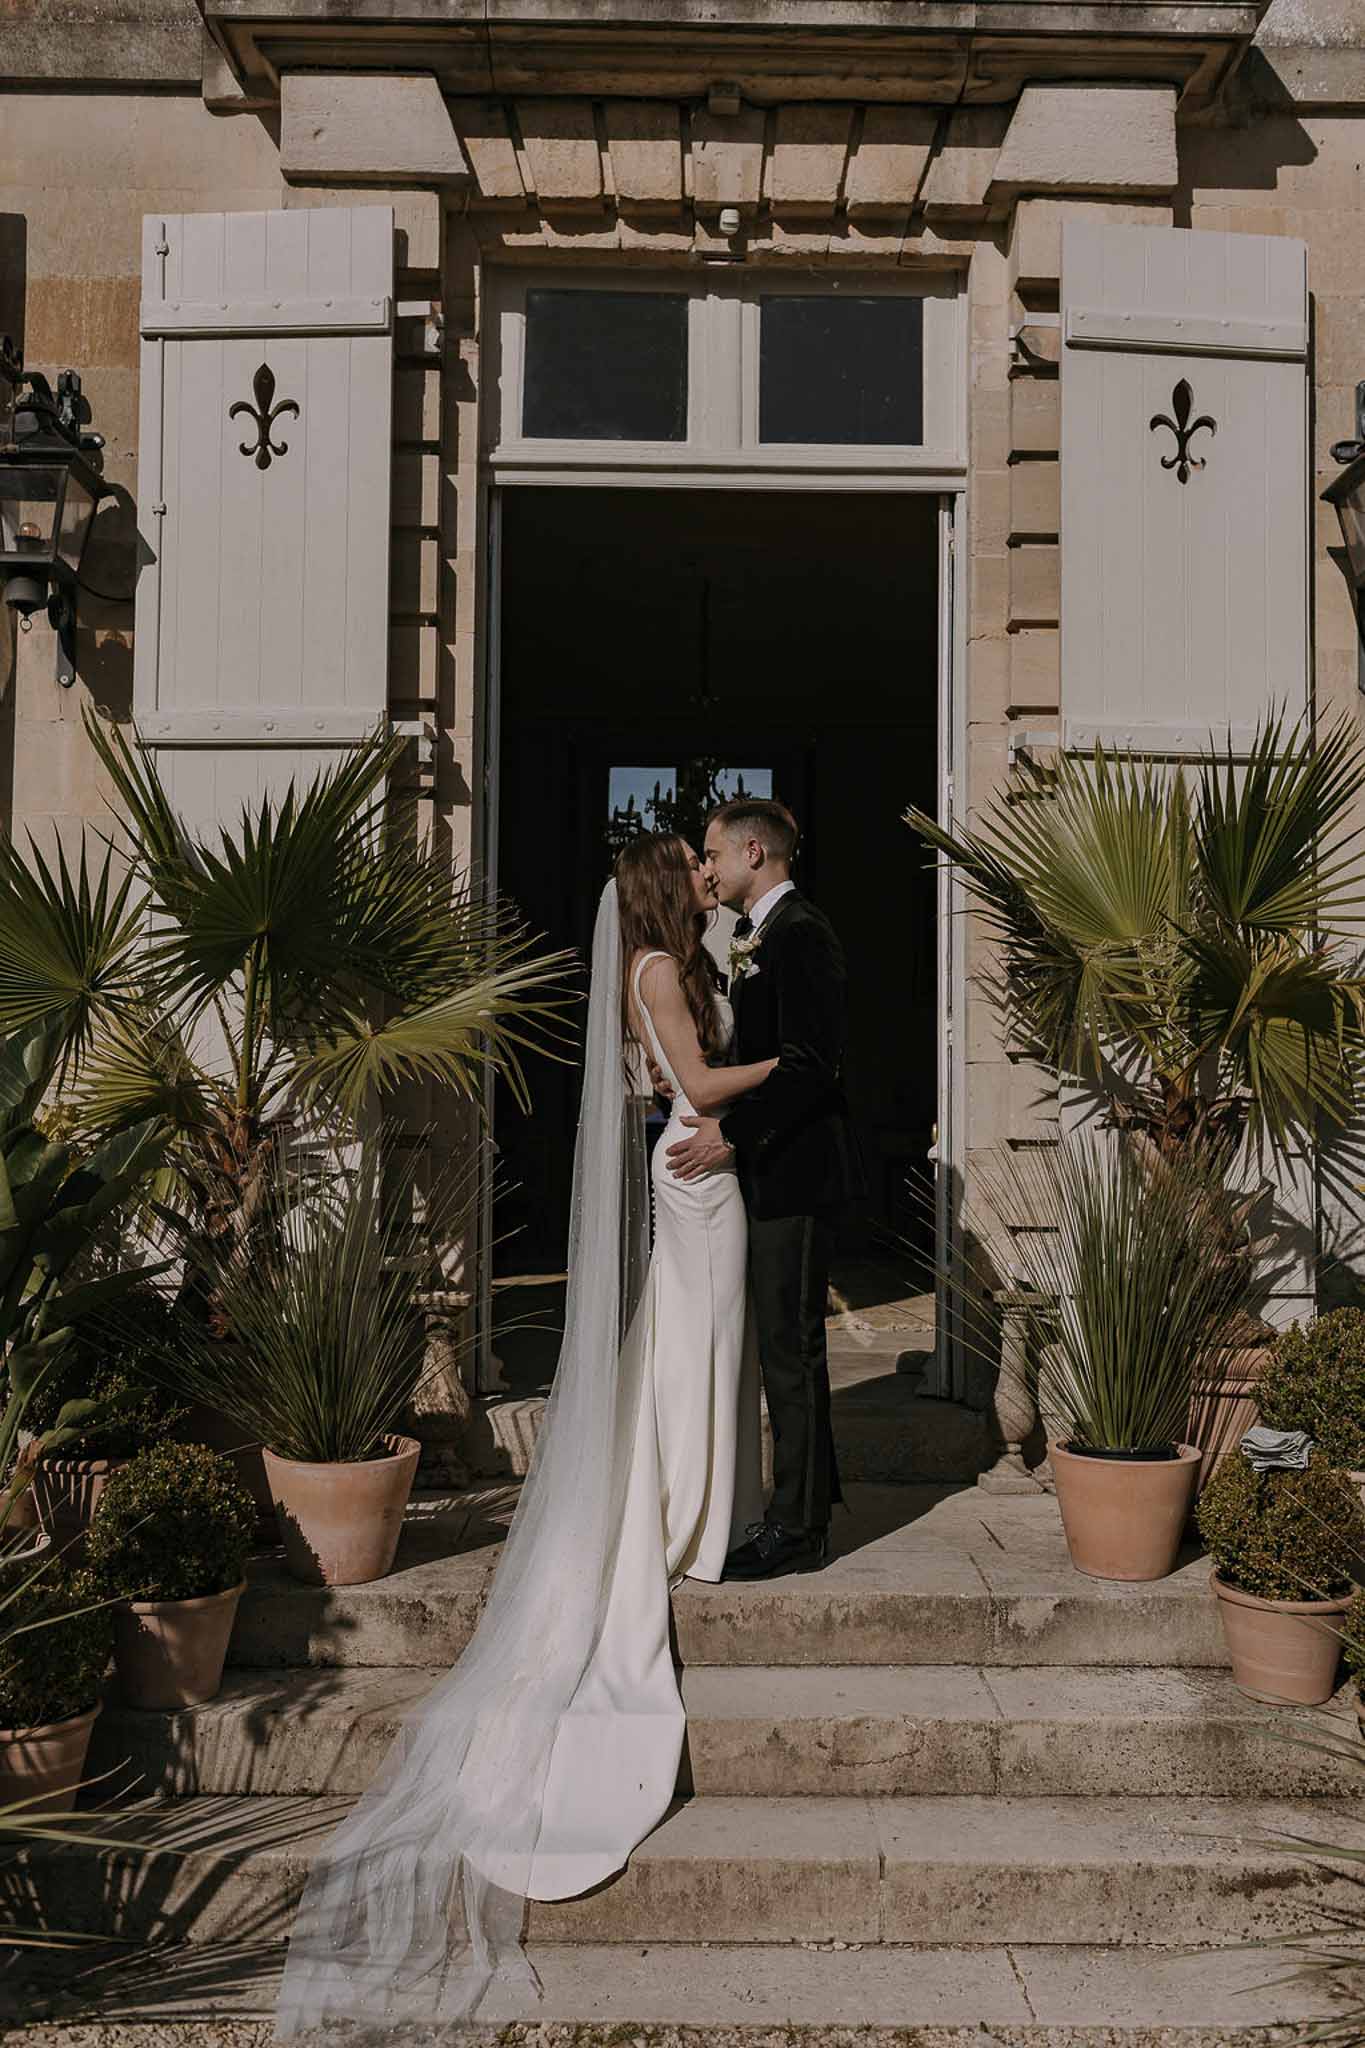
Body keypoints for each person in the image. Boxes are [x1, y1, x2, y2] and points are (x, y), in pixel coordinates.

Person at [275, 833, 773, 2033]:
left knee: (690, 1349)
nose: (709, 879)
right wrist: (781, 1069)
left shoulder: (660, 963)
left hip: (689, 1171)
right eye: (695, 868)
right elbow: (695, 1090)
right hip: (699, 1169)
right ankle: (693, 1517)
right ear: (666, 888)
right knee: (695, 1350)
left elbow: (661, 1080)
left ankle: (701, 1505)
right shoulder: (660, 967)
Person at [666, 797, 865, 1581]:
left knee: (791, 1350)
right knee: (780, 1348)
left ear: (754, 851)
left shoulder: (803, 935)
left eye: (712, 854)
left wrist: (732, 1135)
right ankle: (805, 1504)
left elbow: (812, 1066)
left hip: (794, 1172)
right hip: (768, 1171)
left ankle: (800, 1529)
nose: (707, 868)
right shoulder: (758, 936)